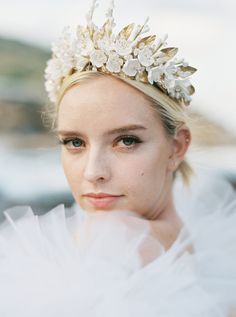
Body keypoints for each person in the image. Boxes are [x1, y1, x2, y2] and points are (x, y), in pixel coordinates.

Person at [0, 1, 236, 316]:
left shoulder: (124, 242)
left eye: (126, 141)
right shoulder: (185, 242)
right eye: (74, 142)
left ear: (177, 147)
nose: (93, 172)